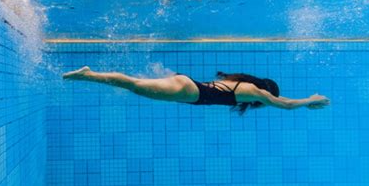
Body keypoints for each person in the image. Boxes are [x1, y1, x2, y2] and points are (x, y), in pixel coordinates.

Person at [63, 66, 330, 114]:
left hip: (188, 86)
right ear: (265, 91)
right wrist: (310, 99)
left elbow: (279, 99)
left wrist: (305, 101)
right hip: (189, 92)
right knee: (133, 85)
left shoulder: (247, 87)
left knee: (135, 85)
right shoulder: (253, 92)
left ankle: (90, 76)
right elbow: (282, 104)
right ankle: (89, 75)